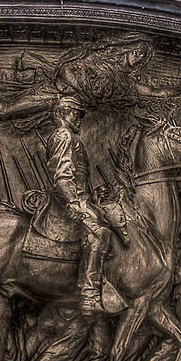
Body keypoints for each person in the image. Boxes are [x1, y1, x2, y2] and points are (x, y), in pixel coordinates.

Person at [38, 95, 112, 314]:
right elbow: (62, 177)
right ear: (62, 113)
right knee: (99, 235)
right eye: (76, 113)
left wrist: (92, 196)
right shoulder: (63, 135)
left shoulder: (69, 137)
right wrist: (75, 203)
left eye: (82, 114)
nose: (80, 118)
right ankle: (89, 296)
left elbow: (77, 179)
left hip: (77, 199)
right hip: (65, 204)